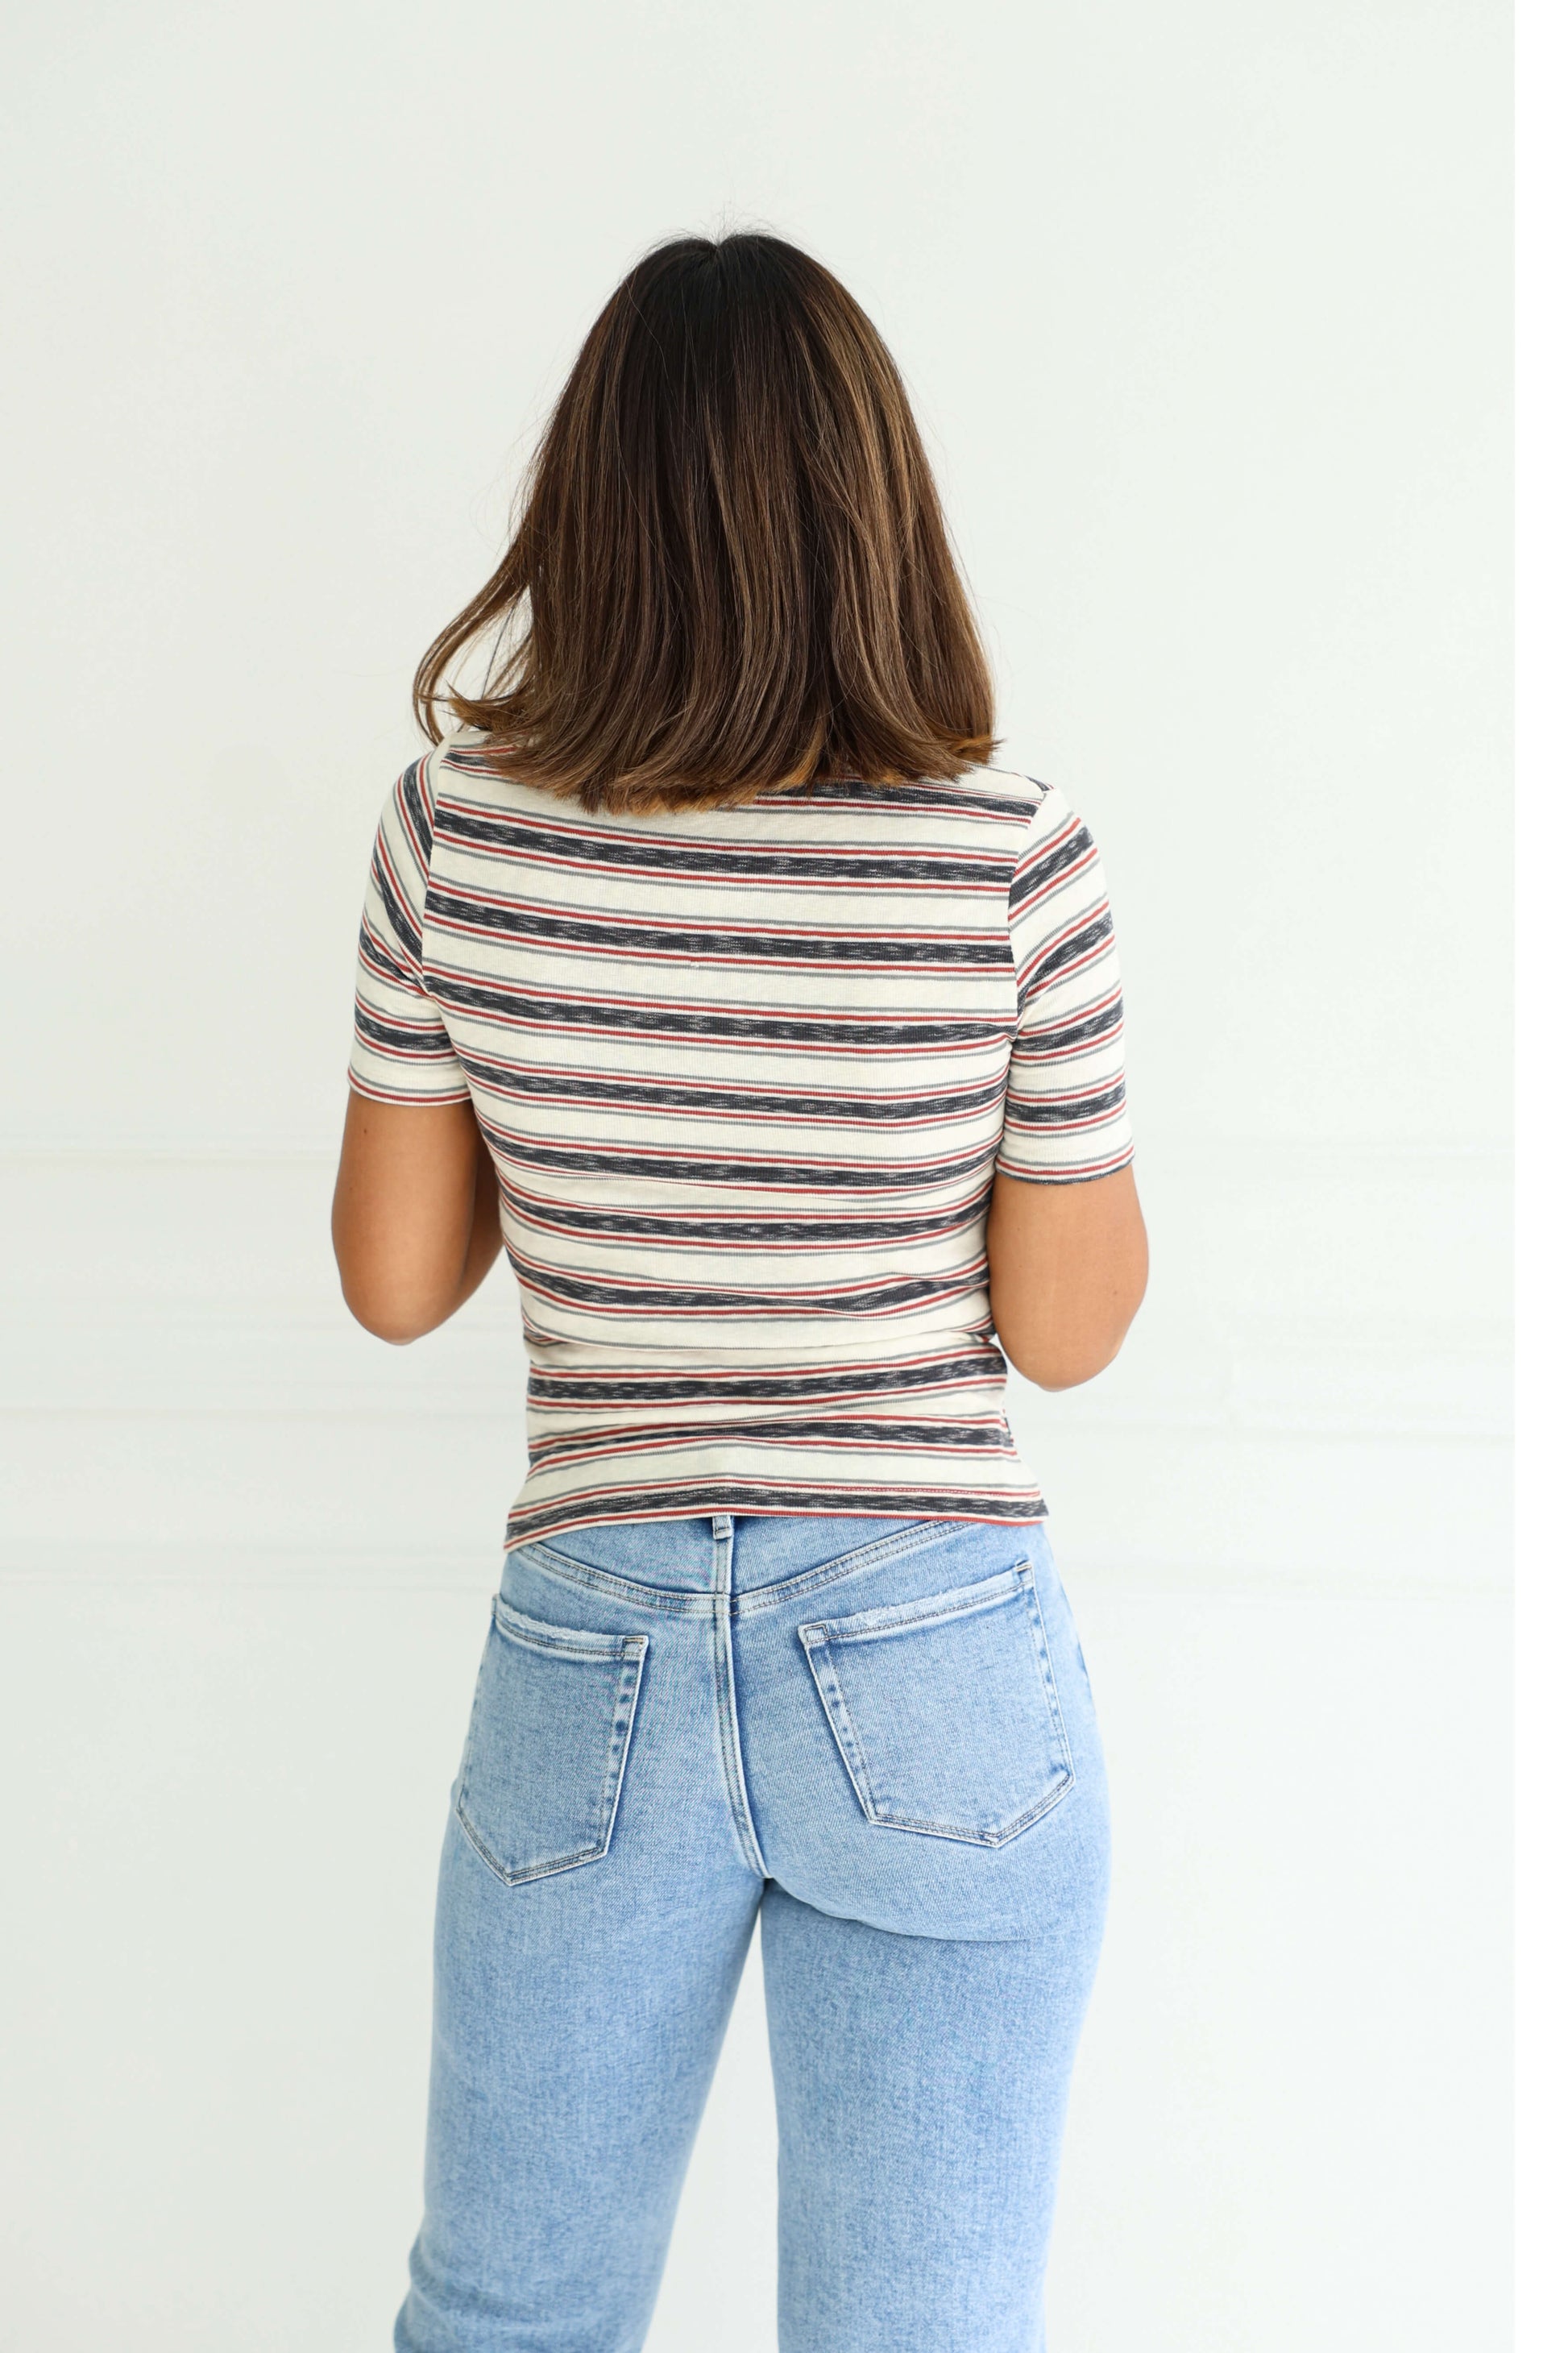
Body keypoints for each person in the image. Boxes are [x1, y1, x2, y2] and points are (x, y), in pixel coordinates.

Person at [331, 230, 1148, 2353]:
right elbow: (1063, 1330)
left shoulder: (459, 839)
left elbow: (397, 1279)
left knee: (505, 2317)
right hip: (933, 1640)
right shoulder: (1010, 857)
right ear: (871, 505)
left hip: (591, 1642)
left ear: (585, 507)